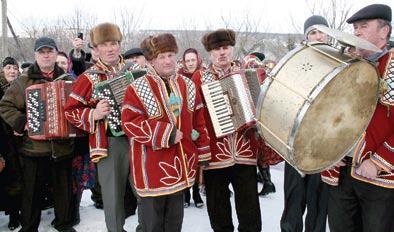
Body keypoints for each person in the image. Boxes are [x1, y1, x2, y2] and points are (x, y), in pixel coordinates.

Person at [121, 33, 211, 232]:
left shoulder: (188, 85)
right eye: (162, 56)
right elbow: (129, 122)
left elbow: (199, 119)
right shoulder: (138, 88)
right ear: (152, 59)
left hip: (181, 167)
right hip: (151, 168)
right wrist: (166, 133)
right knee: (151, 225)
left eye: (170, 54)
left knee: (173, 223)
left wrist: (203, 150)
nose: (168, 60)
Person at [321, 4, 394, 232]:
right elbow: (324, 114)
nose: (357, 32)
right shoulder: (346, 65)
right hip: (340, 171)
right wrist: (327, 152)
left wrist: (378, 161)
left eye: (364, 26)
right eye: (355, 28)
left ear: (384, 31)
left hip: (378, 174)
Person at [0, 37, 76, 232]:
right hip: (34, 149)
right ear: (35, 55)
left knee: (64, 192)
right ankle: (29, 227)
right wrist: (22, 122)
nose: (46, 55)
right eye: (41, 52)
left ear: (56, 53)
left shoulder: (68, 80)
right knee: (31, 194)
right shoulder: (23, 81)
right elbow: (5, 105)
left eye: (49, 51)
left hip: (62, 147)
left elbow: (79, 105)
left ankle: (64, 224)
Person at [65, 22, 133, 232]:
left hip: (141, 139)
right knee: (113, 196)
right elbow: (70, 110)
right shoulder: (89, 77)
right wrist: (93, 114)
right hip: (110, 143)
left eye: (114, 43)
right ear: (95, 50)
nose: (111, 48)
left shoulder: (135, 70)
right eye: (104, 44)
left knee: (146, 192)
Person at [192, 28, 262, 232]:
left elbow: (259, 108)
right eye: (217, 49)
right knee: (218, 210)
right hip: (215, 155)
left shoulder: (246, 75)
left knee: (250, 212)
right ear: (210, 53)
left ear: (232, 49)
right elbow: (196, 117)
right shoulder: (199, 78)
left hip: (244, 153)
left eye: (226, 48)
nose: (222, 52)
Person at [279, 15, 330, 232]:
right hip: (296, 141)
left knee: (318, 201)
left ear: (328, 35)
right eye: (312, 32)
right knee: (294, 198)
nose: (318, 36)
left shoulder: (338, 63)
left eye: (321, 32)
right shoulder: (294, 63)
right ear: (306, 38)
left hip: (325, 143)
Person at [177, 48, 206, 208]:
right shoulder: (178, 78)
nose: (190, 64)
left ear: (198, 60)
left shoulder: (204, 76)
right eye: (187, 61)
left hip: (201, 121)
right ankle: (186, 193)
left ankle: (196, 192)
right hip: (187, 125)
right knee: (186, 158)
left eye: (192, 60)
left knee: (198, 160)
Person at [0, 56, 22, 231]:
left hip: (21, 141)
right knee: (7, 180)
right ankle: (12, 213)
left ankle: (17, 214)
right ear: (2, 70)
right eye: (8, 68)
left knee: (20, 179)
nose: (12, 71)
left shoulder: (21, 87)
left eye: (15, 68)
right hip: (3, 143)